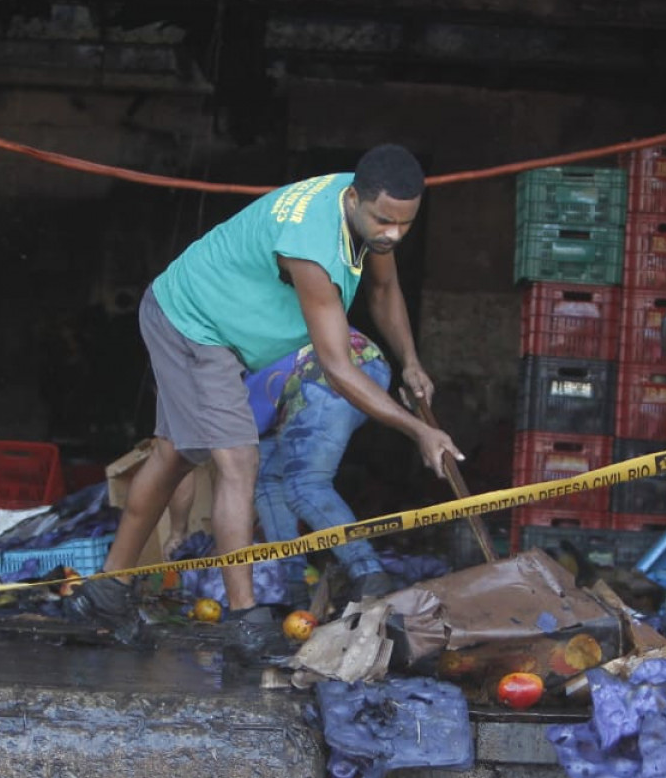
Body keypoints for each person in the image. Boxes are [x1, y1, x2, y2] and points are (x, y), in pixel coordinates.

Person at [71, 144, 461, 656]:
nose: (393, 234)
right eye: (385, 221)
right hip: (194, 322)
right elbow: (339, 369)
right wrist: (419, 430)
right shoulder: (312, 247)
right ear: (354, 198)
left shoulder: (368, 217)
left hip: (219, 324)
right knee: (240, 460)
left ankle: (107, 589)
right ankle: (244, 620)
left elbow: (384, 292)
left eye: (405, 225)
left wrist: (409, 361)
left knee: (175, 454)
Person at [250, 328, 398, 605]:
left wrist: (178, 529)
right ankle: (290, 583)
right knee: (267, 478)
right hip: (357, 361)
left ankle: (369, 574)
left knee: (305, 485)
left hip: (325, 370)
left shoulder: (210, 371)